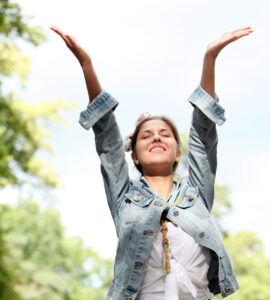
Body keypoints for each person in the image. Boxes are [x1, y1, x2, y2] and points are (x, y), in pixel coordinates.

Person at [51, 26, 253, 300]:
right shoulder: (125, 199)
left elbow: (203, 136)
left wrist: (210, 57)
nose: (156, 138)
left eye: (164, 134)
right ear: (134, 155)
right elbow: (108, 141)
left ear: (178, 152)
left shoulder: (197, 193)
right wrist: (86, 64)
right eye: (146, 135)